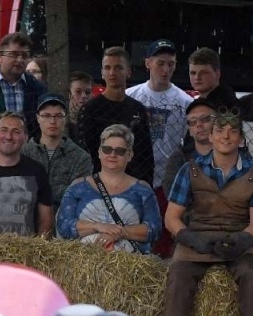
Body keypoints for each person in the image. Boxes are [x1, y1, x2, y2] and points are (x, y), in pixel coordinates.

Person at [156, 111, 253, 316]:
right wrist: (192, 239)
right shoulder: (191, 169)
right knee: (179, 276)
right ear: (211, 135)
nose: (226, 136)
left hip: (238, 238)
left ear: (241, 137)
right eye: (220, 130)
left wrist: (241, 241)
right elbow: (171, 217)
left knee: (252, 273)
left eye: (233, 131)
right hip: (198, 237)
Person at [56, 124, 161, 254]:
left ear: (130, 155)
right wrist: (98, 226)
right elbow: (63, 225)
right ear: (99, 152)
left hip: (130, 264)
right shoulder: (78, 187)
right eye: (107, 149)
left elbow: (154, 229)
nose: (112, 154)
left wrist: (117, 233)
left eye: (120, 151)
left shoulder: (142, 190)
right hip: (82, 263)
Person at [75, 48, 153, 184]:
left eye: (118, 68)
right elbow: (84, 153)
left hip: (131, 183)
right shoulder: (90, 109)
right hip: (98, 184)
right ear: (102, 72)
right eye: (107, 67)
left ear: (128, 71)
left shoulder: (138, 109)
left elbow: (145, 155)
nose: (112, 73)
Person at [125, 40, 190, 189]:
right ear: (148, 63)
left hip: (168, 177)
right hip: (134, 172)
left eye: (171, 64)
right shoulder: (130, 96)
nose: (166, 70)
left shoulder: (185, 102)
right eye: (160, 64)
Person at [23, 95, 91, 206]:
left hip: (64, 218)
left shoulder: (81, 157)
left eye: (59, 116)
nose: (53, 121)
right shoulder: (24, 153)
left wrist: (36, 190)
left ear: (66, 118)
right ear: (37, 118)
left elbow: (78, 195)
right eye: (46, 115)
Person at [158, 96, 216, 193]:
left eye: (205, 119)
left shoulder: (232, 153)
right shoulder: (180, 157)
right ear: (189, 130)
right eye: (193, 122)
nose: (199, 124)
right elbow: (171, 190)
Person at [0, 33, 44, 132]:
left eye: (24, 56)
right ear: (0, 57)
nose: (20, 60)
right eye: (14, 54)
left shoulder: (36, 87)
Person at [185, 48, 238, 116]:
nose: (197, 77)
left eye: (204, 73)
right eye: (193, 73)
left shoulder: (228, 104)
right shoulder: (196, 103)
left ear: (217, 74)